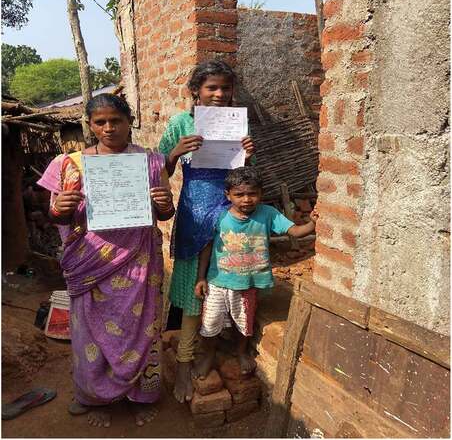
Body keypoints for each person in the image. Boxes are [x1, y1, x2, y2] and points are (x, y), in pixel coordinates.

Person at [37, 94, 174, 428]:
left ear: (129, 121)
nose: (109, 128)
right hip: (90, 264)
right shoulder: (68, 164)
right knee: (90, 336)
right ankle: (94, 396)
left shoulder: (151, 161)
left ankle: (142, 395)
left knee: (143, 329)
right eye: (100, 122)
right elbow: (51, 213)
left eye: (116, 120)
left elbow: (165, 214)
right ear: (90, 125)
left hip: (139, 263)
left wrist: (164, 202)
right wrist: (61, 207)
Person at [158, 60, 255, 402]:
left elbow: (243, 178)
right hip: (195, 210)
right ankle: (185, 361)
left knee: (224, 280)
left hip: (229, 211)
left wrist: (247, 154)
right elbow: (159, 172)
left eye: (224, 88)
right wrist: (175, 152)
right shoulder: (180, 123)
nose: (218, 94)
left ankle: (214, 345)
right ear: (196, 91)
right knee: (191, 288)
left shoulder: (236, 124)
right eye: (211, 87)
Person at [194, 167, 318, 377]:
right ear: (228, 195)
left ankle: (241, 352)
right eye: (239, 194)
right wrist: (201, 278)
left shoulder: (268, 214)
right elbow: (206, 248)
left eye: (252, 194)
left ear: (261, 193)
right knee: (210, 322)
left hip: (248, 282)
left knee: (244, 322)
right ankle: (208, 355)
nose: (246, 200)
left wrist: (313, 221)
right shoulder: (219, 216)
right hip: (217, 281)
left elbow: (296, 231)